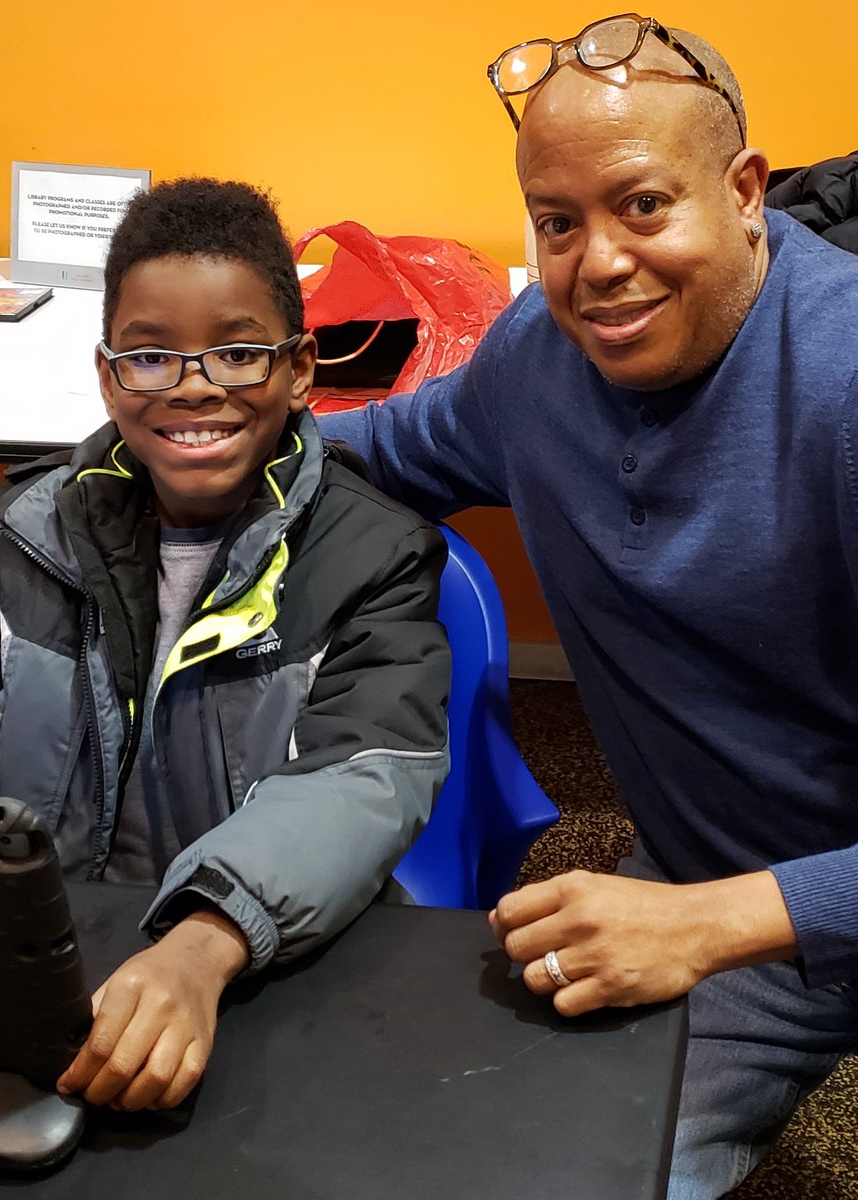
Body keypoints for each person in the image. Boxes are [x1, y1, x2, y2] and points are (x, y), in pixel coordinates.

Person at [321, 14, 858, 1200]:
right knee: (507, 1166)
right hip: (709, 872)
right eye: (557, 222)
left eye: (643, 205)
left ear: (744, 192)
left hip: (745, 902)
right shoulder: (540, 359)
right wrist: (181, 436)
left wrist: (714, 924)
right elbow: (382, 447)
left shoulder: (843, 389)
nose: (598, 263)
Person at [0, 178, 450, 1113]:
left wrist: (206, 940)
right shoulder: (34, 532)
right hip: (52, 954)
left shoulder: (372, 554)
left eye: (239, 352)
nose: (193, 386)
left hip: (255, 954)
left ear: (300, 368)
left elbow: (361, 779)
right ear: (106, 375)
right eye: (150, 356)